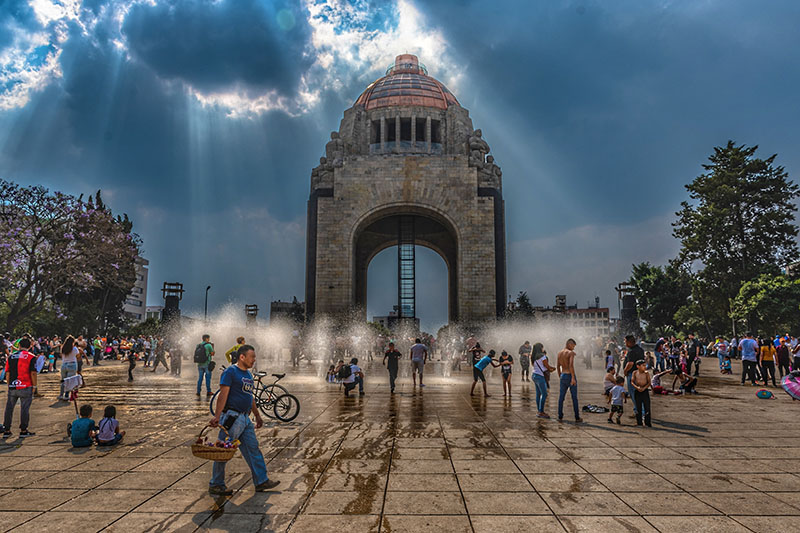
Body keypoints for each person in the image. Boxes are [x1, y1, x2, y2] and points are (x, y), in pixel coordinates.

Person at [209, 345, 279, 495]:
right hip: (232, 417)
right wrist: (217, 416)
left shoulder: (248, 374)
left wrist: (258, 415)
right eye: (252, 357)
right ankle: (216, 483)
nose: (254, 360)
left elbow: (250, 397)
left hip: (245, 419)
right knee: (223, 451)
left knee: (253, 449)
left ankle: (261, 481)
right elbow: (223, 395)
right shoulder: (230, 372)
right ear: (242, 357)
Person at [1, 337, 38, 438]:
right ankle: (23, 430)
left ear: (19, 346)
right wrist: (34, 386)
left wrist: (9, 385)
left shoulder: (11, 357)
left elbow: (7, 373)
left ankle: (7, 429)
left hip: (13, 386)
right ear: (30, 346)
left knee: (9, 408)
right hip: (26, 385)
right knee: (25, 408)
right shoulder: (31, 357)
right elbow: (33, 373)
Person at [557, 339, 582, 423]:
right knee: (574, 398)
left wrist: (560, 375)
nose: (573, 348)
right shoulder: (570, 353)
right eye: (573, 346)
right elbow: (571, 365)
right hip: (570, 375)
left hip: (563, 375)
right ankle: (577, 417)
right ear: (569, 344)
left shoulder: (560, 353)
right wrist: (573, 378)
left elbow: (558, 366)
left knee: (561, 397)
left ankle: (560, 415)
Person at [622, 335, 645, 417]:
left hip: (632, 374)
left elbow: (630, 363)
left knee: (633, 394)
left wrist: (625, 370)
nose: (624, 343)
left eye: (625, 341)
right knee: (639, 394)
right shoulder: (640, 349)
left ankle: (640, 412)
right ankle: (638, 410)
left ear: (629, 342)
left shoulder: (631, 351)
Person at [531, 343, 554, 418]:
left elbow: (536, 366)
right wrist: (553, 368)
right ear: (540, 348)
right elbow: (547, 366)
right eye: (542, 347)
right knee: (544, 394)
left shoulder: (533, 357)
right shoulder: (543, 356)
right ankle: (541, 412)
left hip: (534, 375)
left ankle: (539, 410)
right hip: (540, 376)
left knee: (538, 394)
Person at [631, 360, 652, 427]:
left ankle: (647, 423)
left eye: (645, 365)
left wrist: (644, 388)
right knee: (638, 407)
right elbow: (632, 382)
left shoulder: (646, 373)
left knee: (647, 407)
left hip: (645, 391)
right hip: (637, 391)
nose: (644, 367)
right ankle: (639, 422)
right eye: (643, 365)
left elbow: (649, 383)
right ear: (638, 366)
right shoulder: (635, 373)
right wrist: (637, 387)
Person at [59, 335, 80, 401]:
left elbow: (61, 355)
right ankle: (66, 395)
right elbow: (78, 355)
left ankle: (61, 395)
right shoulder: (74, 349)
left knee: (63, 381)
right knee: (69, 381)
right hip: (72, 364)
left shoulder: (63, 348)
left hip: (64, 365)